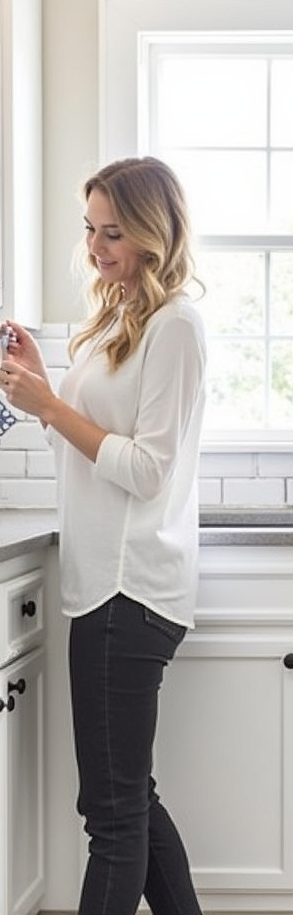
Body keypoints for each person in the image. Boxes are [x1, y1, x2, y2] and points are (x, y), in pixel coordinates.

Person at [1, 156, 206, 915]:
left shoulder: (175, 324)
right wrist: (43, 389)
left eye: (113, 232)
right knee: (128, 801)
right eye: (90, 229)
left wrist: (53, 408)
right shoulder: (119, 318)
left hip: (133, 589)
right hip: (102, 588)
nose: (96, 247)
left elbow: (148, 470)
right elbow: (87, 459)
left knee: (113, 815)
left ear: (156, 232)